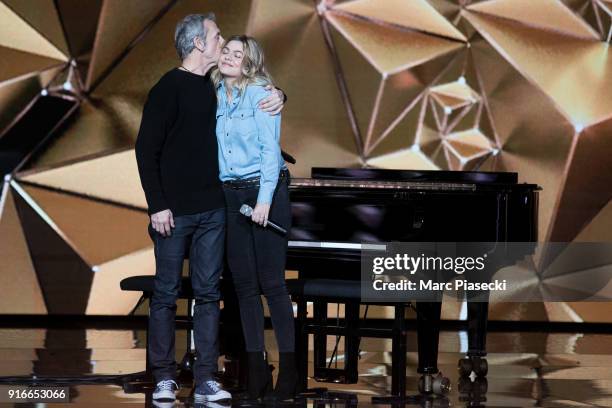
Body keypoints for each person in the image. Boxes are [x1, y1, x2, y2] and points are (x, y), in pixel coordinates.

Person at [134, 14, 284, 403]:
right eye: (217, 37)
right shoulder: (167, 89)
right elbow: (145, 151)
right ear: (199, 44)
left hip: (213, 211)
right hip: (173, 212)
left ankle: (205, 380)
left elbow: (252, 91)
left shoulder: (215, 86)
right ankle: (165, 377)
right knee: (166, 294)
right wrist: (158, 205)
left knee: (207, 293)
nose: (222, 43)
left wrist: (279, 93)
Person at [211, 35, 297, 403]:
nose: (229, 57)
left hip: (266, 193)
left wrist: (263, 202)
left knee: (272, 285)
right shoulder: (213, 92)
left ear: (250, 63)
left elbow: (268, 152)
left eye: (237, 54)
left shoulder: (262, 93)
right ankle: (256, 374)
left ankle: (290, 375)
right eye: (226, 51)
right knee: (244, 287)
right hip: (230, 194)